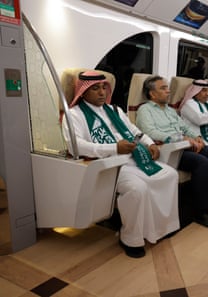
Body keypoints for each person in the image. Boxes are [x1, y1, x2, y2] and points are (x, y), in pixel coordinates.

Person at [62, 71, 179, 259]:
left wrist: (149, 143)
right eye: (95, 89)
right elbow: (76, 145)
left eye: (103, 88)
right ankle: (130, 238)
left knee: (171, 174)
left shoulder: (115, 110)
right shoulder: (74, 115)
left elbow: (135, 131)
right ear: (83, 92)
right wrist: (114, 148)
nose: (101, 92)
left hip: (134, 157)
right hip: (107, 165)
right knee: (137, 189)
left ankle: (161, 227)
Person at [136, 75, 208, 230]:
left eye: (167, 87)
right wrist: (180, 138)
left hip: (184, 145)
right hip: (167, 150)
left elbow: (184, 127)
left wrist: (196, 137)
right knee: (201, 162)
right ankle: (201, 211)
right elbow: (150, 132)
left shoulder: (170, 110)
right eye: (163, 88)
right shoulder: (145, 110)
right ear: (152, 94)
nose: (168, 91)